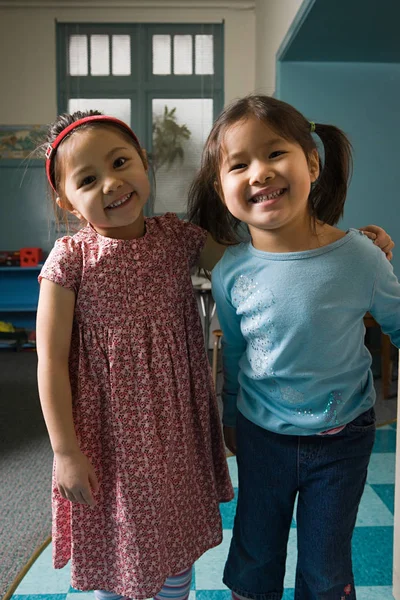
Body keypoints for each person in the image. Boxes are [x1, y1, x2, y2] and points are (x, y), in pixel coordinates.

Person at [187, 94, 400, 600]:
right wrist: (231, 416)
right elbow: (234, 355)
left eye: (273, 154)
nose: (259, 172)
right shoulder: (231, 271)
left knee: (327, 570)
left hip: (343, 437)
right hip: (263, 438)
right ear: (223, 188)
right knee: (255, 557)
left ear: (311, 163)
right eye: (239, 165)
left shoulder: (362, 257)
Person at [36, 111, 234, 600]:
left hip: (175, 428)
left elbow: (252, 263)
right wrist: (65, 452)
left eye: (121, 162)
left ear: (144, 162)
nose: (111, 182)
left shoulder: (177, 238)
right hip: (109, 436)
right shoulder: (71, 257)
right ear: (67, 200)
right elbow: (50, 361)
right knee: (122, 544)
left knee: (175, 543)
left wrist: (337, 244)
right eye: (87, 178)